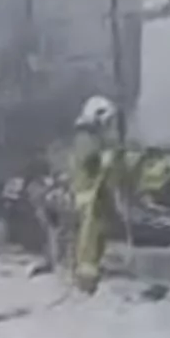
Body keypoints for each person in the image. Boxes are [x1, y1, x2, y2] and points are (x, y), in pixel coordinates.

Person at [66, 94, 122, 294]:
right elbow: (90, 164)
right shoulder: (86, 139)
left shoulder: (89, 138)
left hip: (92, 197)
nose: (109, 127)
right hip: (89, 198)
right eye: (107, 122)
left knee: (93, 238)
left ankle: (88, 277)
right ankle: (86, 281)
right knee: (88, 240)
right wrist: (105, 159)